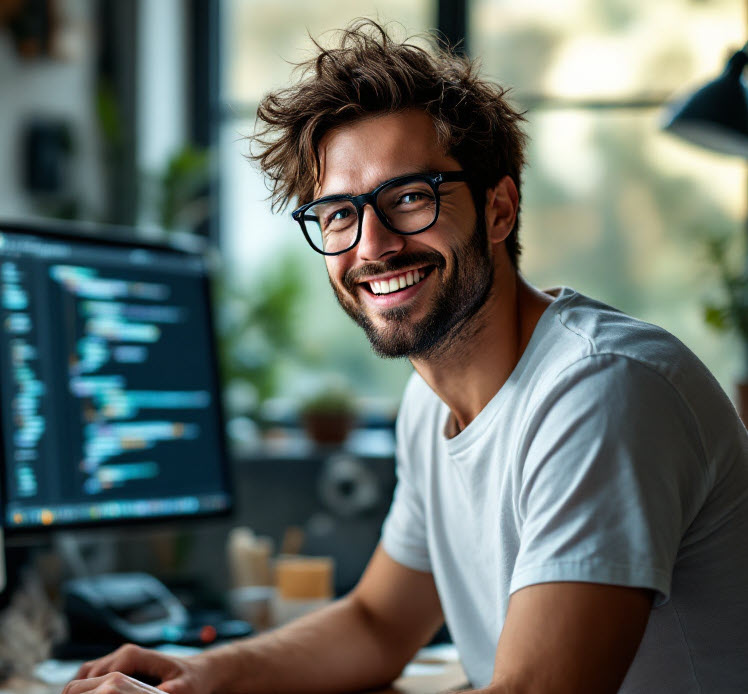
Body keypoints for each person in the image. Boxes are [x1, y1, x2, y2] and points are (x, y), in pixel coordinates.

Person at [62, 20, 748, 694]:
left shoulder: (601, 390)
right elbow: (378, 623)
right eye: (338, 215)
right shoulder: (431, 404)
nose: (372, 246)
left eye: (411, 198)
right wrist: (201, 674)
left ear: (500, 209)